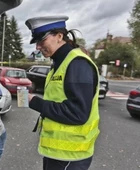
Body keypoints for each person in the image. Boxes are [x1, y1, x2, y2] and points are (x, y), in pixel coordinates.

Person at [25, 16, 100, 170]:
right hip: (59, 153)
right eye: (36, 42)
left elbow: (78, 113)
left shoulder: (77, 63)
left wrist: (35, 102)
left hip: (71, 156)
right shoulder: (60, 62)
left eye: (42, 40)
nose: (38, 47)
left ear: (59, 36)